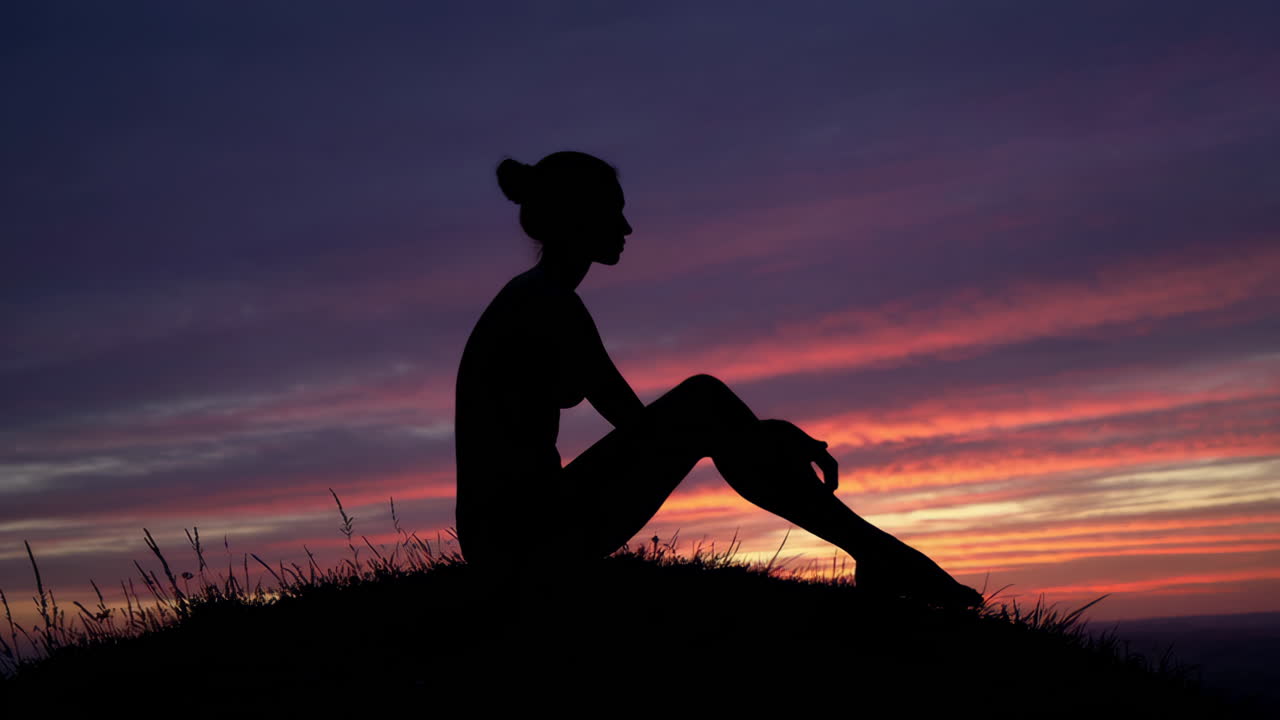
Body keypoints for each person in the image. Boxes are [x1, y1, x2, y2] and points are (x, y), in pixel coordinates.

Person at [453, 150, 983, 613]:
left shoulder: (538, 296)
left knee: (705, 403)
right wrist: (764, 437)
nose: (628, 228)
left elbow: (651, 429)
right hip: (523, 539)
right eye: (614, 211)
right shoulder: (546, 303)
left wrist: (759, 434)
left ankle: (880, 555)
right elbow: (648, 426)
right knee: (703, 397)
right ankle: (883, 555)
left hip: (515, 532)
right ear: (580, 217)